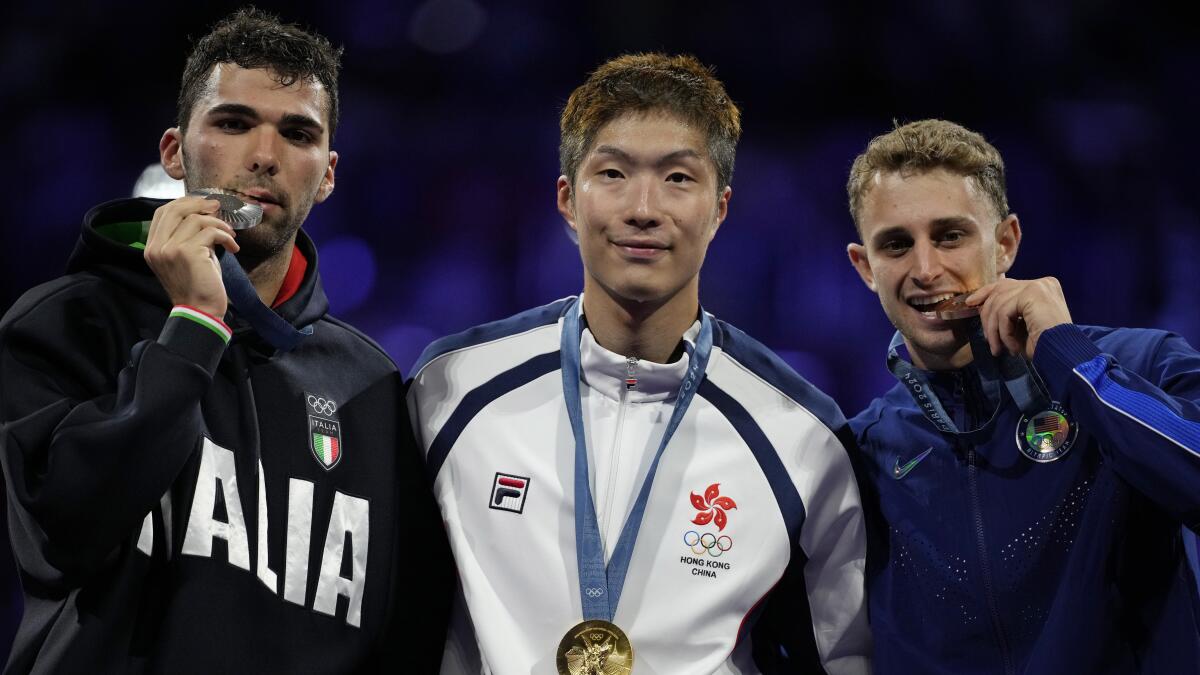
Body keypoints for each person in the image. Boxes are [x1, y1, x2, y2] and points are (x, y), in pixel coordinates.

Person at [0, 8, 447, 672]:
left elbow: (402, 636)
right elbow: (65, 534)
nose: (264, 155)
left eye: (297, 133)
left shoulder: (371, 388)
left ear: (326, 173)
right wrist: (196, 326)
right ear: (175, 151)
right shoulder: (68, 321)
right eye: (233, 123)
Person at [407, 53, 872, 674]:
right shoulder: (451, 390)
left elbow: (844, 658)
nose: (644, 208)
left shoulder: (802, 436)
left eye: (679, 178)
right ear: (568, 201)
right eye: (614, 173)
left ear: (720, 208)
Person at [844, 118, 1200, 674]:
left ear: (1006, 242)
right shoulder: (863, 451)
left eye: (950, 235)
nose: (926, 269)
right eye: (896, 244)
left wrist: (1073, 362)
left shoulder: (1142, 366)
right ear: (865, 267)